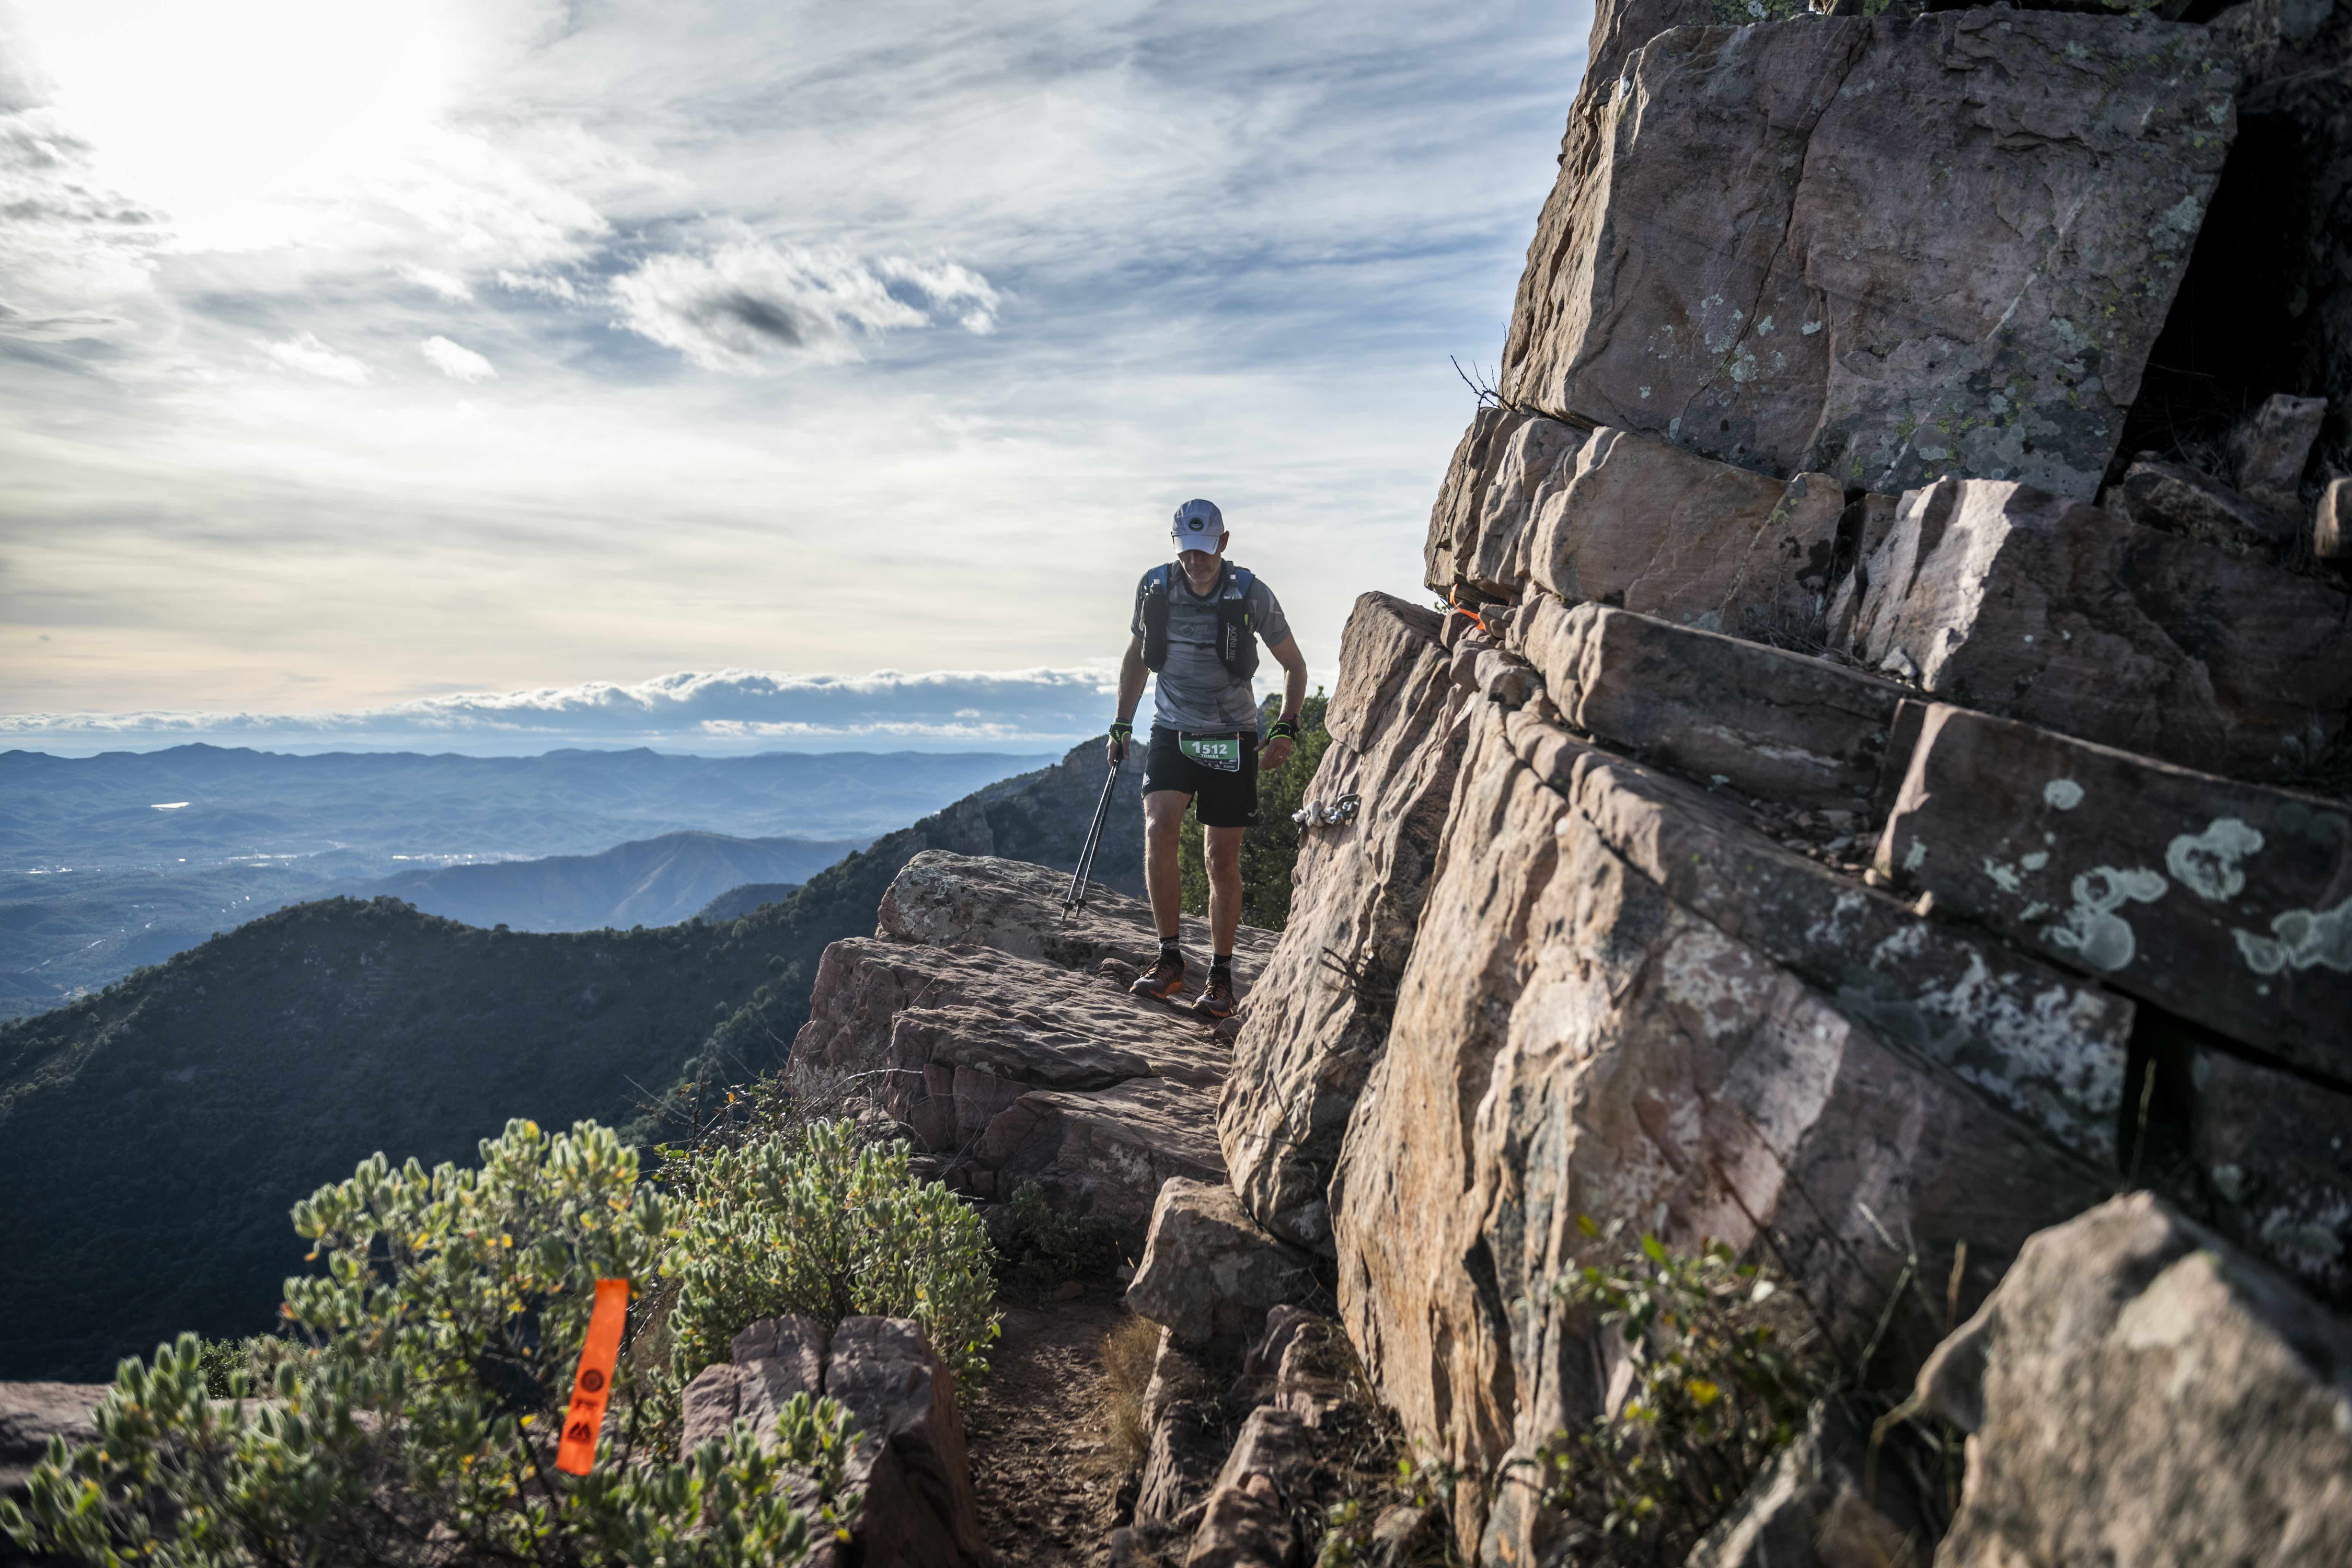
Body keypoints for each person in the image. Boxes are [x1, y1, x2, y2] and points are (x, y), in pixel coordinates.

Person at [1106, 498, 1310, 1020]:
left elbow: (1294, 665)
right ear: (1176, 548)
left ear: (1222, 542)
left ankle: (1221, 976)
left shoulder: (1251, 593)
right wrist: (1122, 722)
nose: (1195, 562)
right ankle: (1169, 959)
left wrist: (1286, 725)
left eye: (1204, 551)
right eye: (1186, 553)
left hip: (1231, 735)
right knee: (1159, 829)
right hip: (1171, 729)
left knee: (1220, 857)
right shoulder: (1155, 586)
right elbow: (1136, 658)